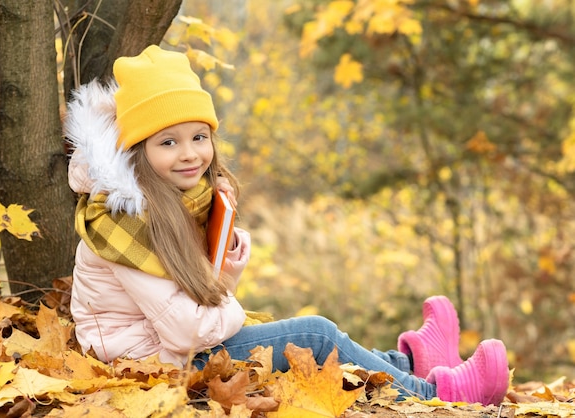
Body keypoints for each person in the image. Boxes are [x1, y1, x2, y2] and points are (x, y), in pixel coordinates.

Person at [64, 45, 509, 406]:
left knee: (305, 338)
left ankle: (410, 360)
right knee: (313, 334)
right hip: (147, 364)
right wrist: (226, 291)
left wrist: (224, 275)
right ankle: (439, 395)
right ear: (137, 152)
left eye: (199, 137)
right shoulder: (121, 221)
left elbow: (188, 308)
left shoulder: (179, 201)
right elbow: (187, 328)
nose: (190, 154)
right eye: (168, 142)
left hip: (172, 347)